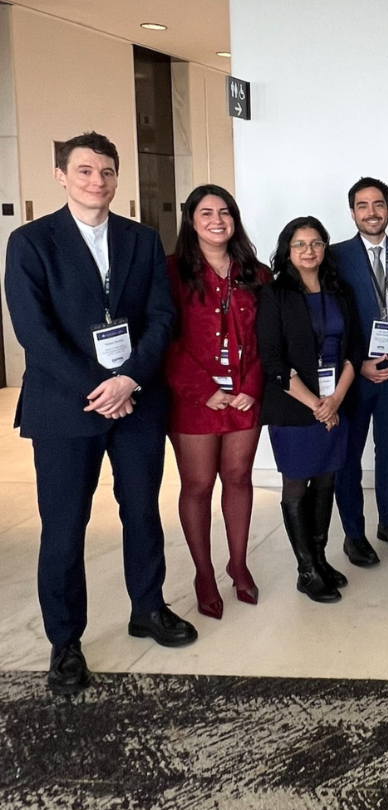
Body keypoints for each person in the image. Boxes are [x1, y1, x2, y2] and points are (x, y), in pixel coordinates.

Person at [5, 131, 197, 695]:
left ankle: (148, 607)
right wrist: (101, 387)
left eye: (107, 171)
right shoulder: (30, 241)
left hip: (136, 400)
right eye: (85, 170)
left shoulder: (142, 239)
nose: (98, 181)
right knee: (65, 527)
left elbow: (161, 316)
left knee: (142, 511)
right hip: (66, 406)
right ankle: (65, 642)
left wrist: (129, 378)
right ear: (61, 176)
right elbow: (33, 332)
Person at [165, 184, 269, 619]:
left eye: (224, 212)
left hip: (244, 397)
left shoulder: (257, 273)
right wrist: (203, 389)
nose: (217, 220)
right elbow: (163, 338)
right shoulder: (170, 271)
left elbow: (269, 337)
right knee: (198, 484)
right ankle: (204, 573)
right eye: (206, 213)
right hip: (195, 399)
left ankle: (238, 564)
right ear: (191, 221)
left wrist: (252, 386)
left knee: (239, 477)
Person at [257, 216, 360, 604]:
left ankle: (320, 558)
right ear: (287, 251)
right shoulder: (275, 294)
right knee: (297, 483)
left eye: (315, 243)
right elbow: (273, 359)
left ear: (325, 248)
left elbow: (354, 350)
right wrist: (317, 404)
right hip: (294, 406)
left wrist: (335, 400)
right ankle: (306, 570)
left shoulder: (341, 291)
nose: (308, 250)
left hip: (336, 401)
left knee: (327, 479)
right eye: (299, 244)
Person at [331, 177, 388, 569]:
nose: (372, 212)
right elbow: (328, 320)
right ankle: (354, 534)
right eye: (362, 206)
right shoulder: (334, 257)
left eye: (378, 204)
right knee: (348, 457)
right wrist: (355, 363)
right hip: (353, 376)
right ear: (352, 213)